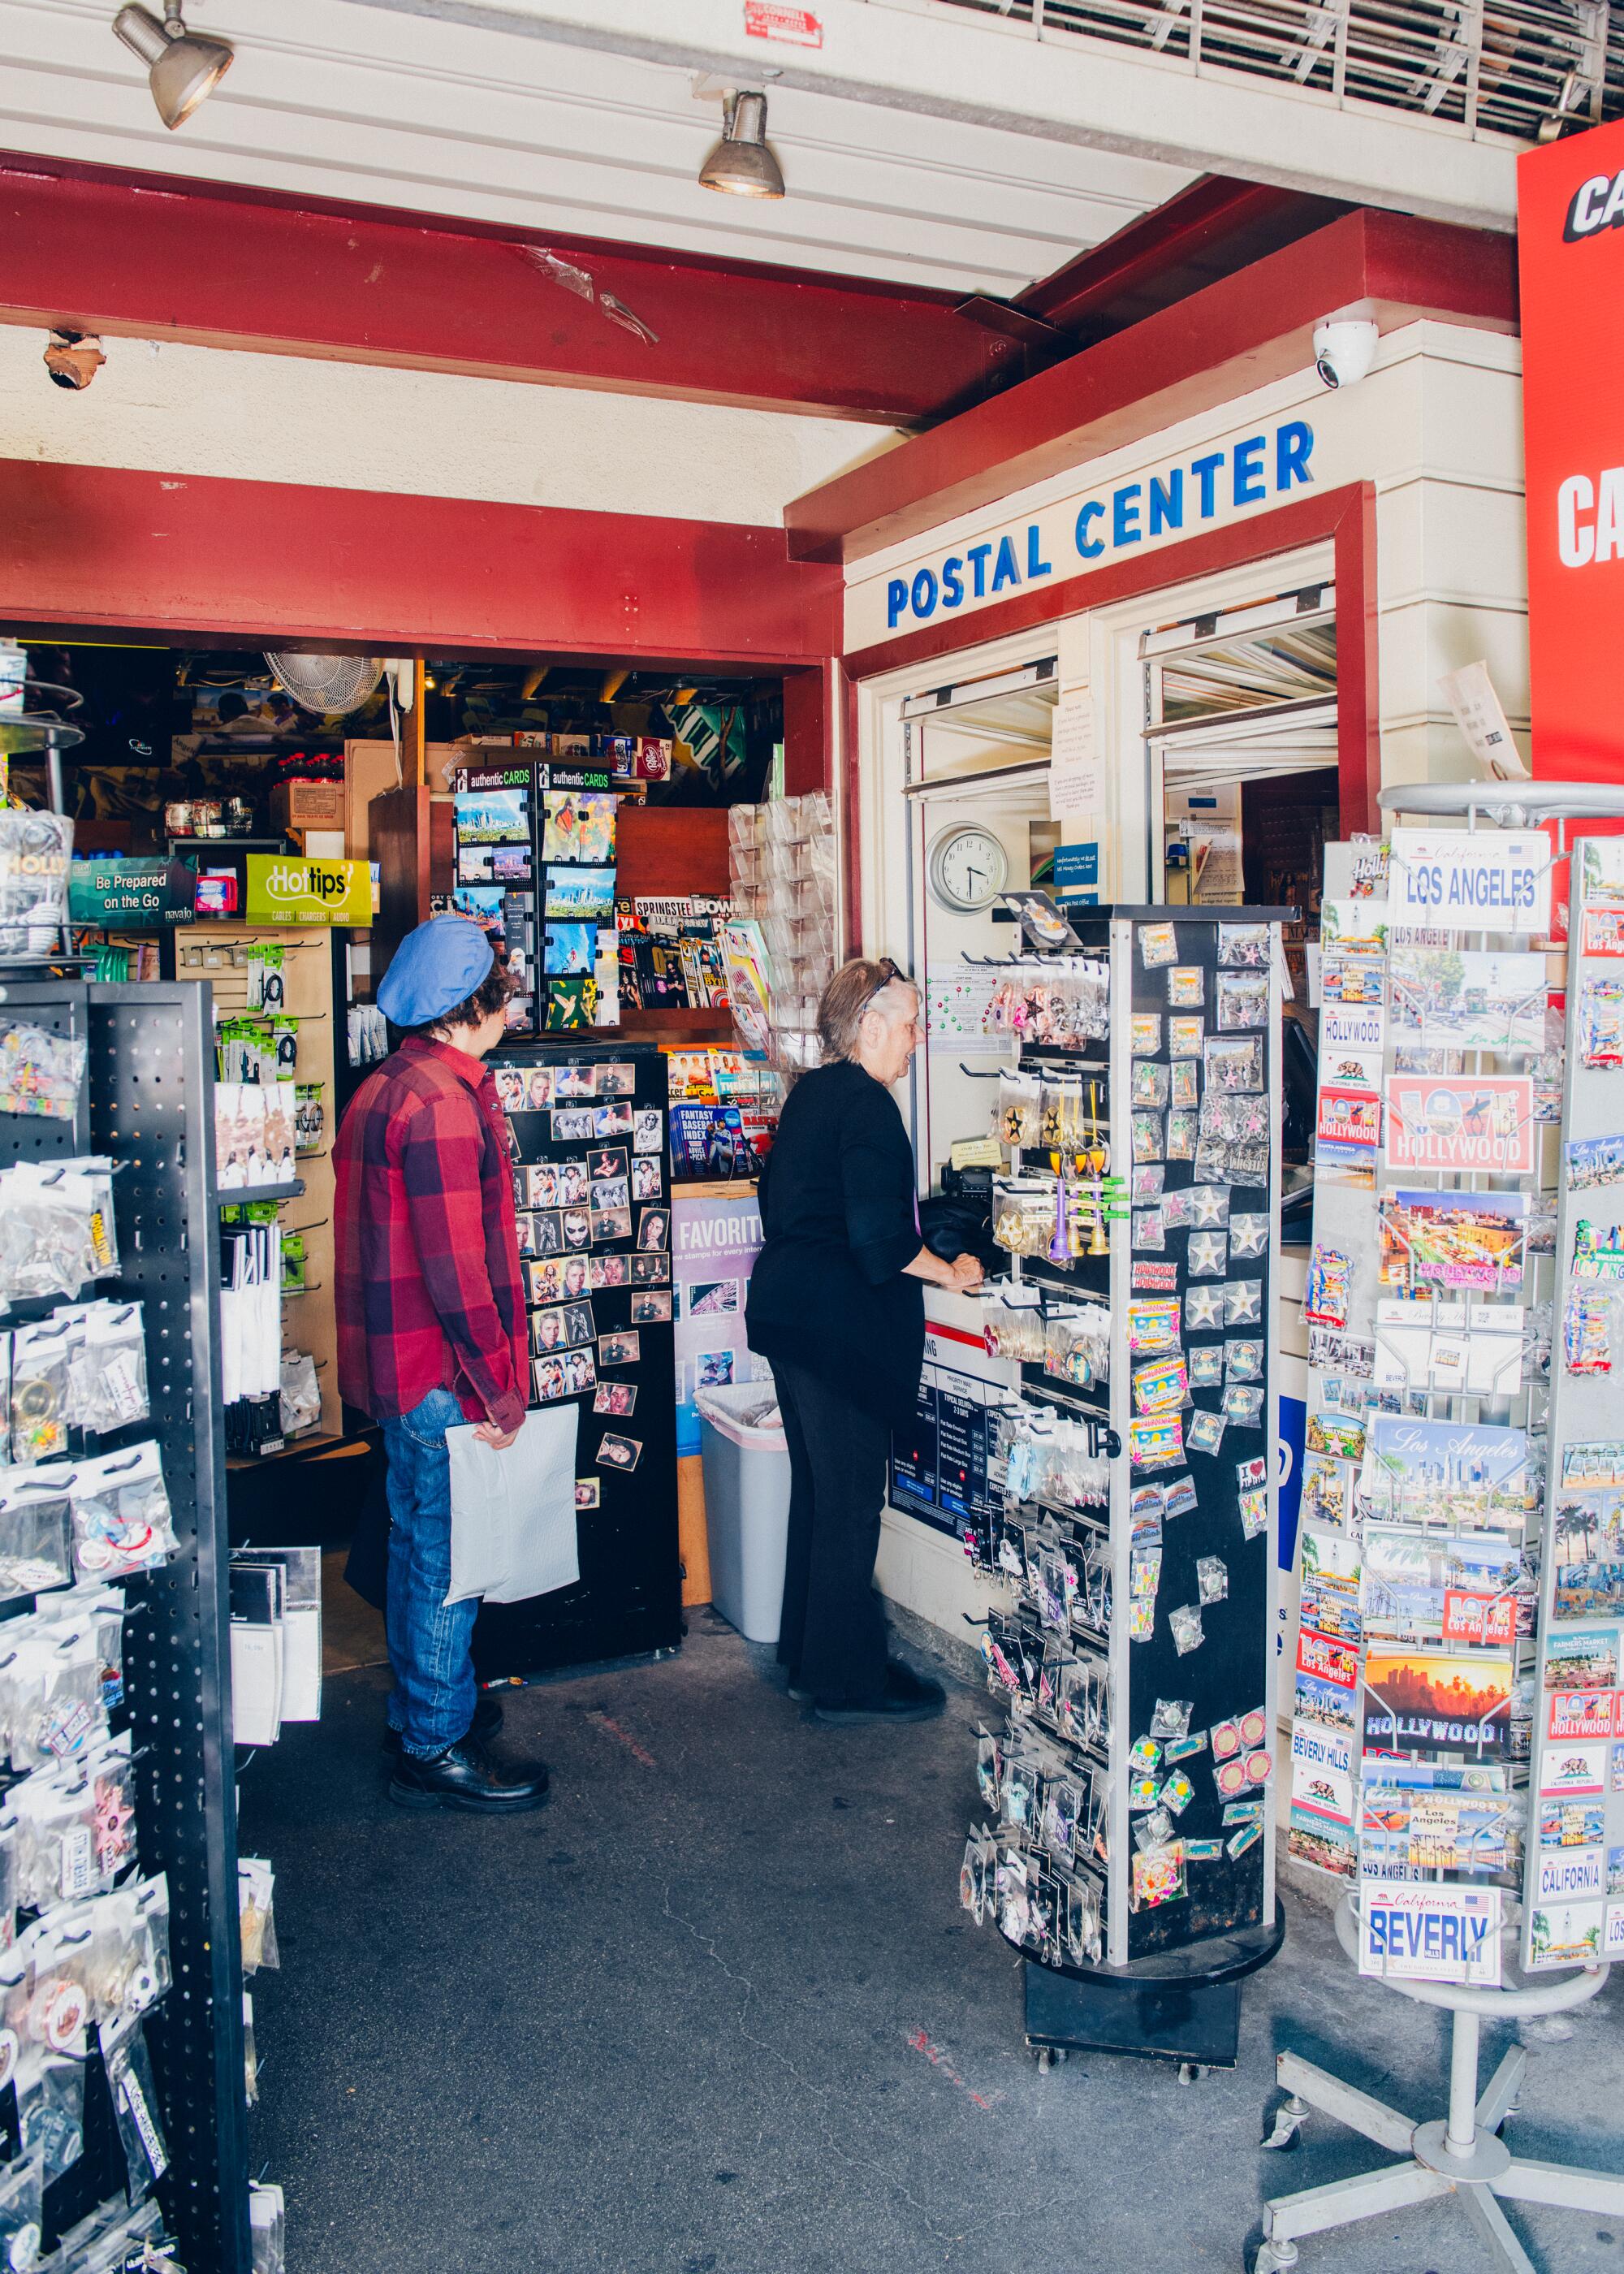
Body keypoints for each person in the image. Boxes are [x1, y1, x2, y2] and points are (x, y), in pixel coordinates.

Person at [334, 914, 549, 1814]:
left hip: (394, 1366)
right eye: (502, 984)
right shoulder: (441, 1103)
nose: (513, 996)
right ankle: (430, 1742)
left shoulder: (390, 1085)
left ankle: (426, 1705)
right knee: (443, 1554)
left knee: (413, 1533)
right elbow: (458, 1270)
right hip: (436, 1374)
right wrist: (497, 1388)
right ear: (477, 1003)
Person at [745, 958, 983, 1725]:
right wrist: (948, 1272)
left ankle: (806, 1657)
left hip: (790, 1317)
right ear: (872, 1026)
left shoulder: (812, 1094)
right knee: (849, 1504)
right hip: (838, 1330)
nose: (918, 1041)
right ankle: (847, 1683)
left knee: (818, 1494)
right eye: (912, 1025)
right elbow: (880, 1240)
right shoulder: (871, 1108)